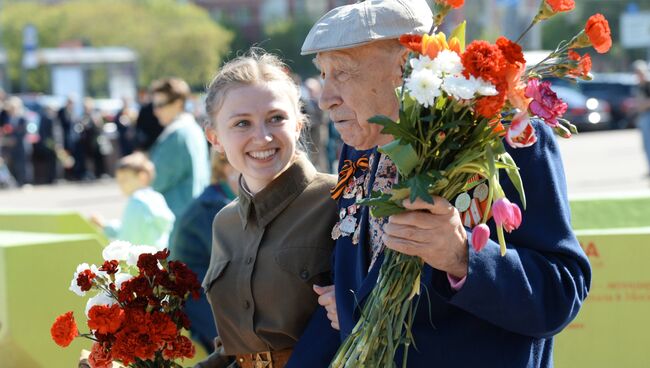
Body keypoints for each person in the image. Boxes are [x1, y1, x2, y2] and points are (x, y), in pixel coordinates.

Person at [288, 1, 592, 367]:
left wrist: (463, 259)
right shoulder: (358, 144)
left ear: (404, 66)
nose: (325, 98)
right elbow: (354, 272)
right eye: (323, 74)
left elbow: (561, 291)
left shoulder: (503, 134)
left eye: (342, 73)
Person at [195, 51, 338, 368]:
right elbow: (233, 351)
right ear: (214, 138)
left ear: (299, 124)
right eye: (242, 123)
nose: (262, 137)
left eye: (276, 118)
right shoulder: (225, 223)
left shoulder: (339, 200)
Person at [170, 150, 238, 354]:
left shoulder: (220, 198)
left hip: (212, 299)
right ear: (227, 168)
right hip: (201, 305)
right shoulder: (211, 207)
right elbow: (238, 262)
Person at [148, 77, 210, 218]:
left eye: (160, 104)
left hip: (176, 220)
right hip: (194, 215)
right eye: (154, 105)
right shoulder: (193, 129)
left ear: (177, 103)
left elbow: (155, 181)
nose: (156, 111)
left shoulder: (176, 135)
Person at [90, 152, 174, 249]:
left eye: (124, 180)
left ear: (142, 177)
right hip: (157, 259)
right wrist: (105, 226)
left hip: (139, 261)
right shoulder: (157, 197)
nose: (121, 185)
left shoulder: (136, 201)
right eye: (119, 181)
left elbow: (128, 239)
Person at [633, 60, 650, 176]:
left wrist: (643, 105)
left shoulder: (648, 84)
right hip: (643, 116)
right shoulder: (639, 86)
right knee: (646, 145)